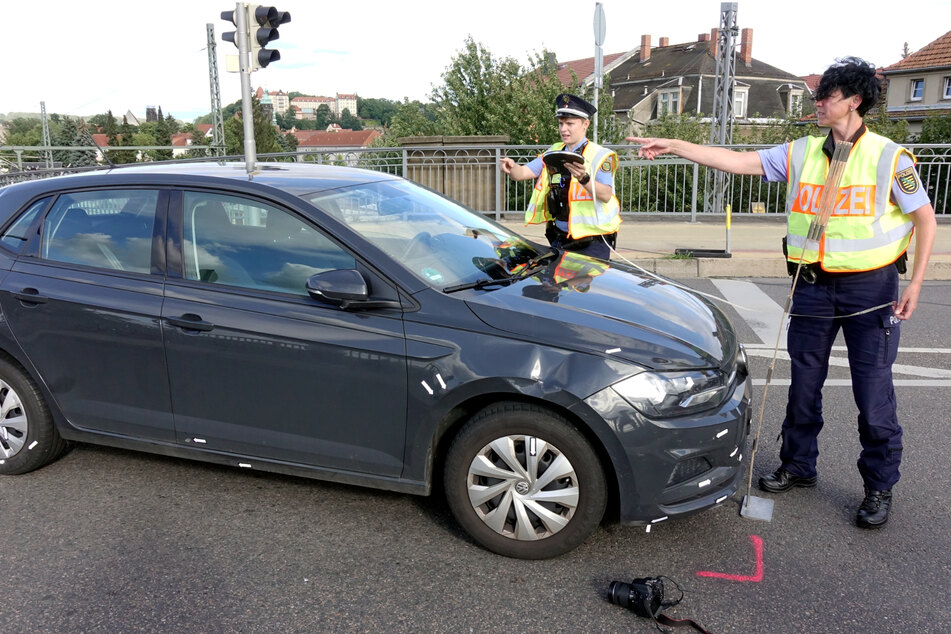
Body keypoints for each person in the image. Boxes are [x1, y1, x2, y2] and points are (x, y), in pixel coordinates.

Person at [629, 57, 937, 530]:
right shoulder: (802, 152)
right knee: (804, 385)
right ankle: (798, 465)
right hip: (811, 284)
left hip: (869, 290)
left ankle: (879, 484)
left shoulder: (889, 157)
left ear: (853, 102)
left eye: (827, 96)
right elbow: (736, 161)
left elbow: (925, 219)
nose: (818, 103)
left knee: (873, 394)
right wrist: (676, 144)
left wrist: (914, 282)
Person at [499, 93, 621, 260]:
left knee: (585, 287)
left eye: (570, 124)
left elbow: (606, 195)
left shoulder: (600, 155)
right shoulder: (554, 151)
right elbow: (522, 173)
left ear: (586, 124)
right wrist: (511, 167)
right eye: (561, 124)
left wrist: (584, 179)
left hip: (592, 243)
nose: (564, 129)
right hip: (559, 237)